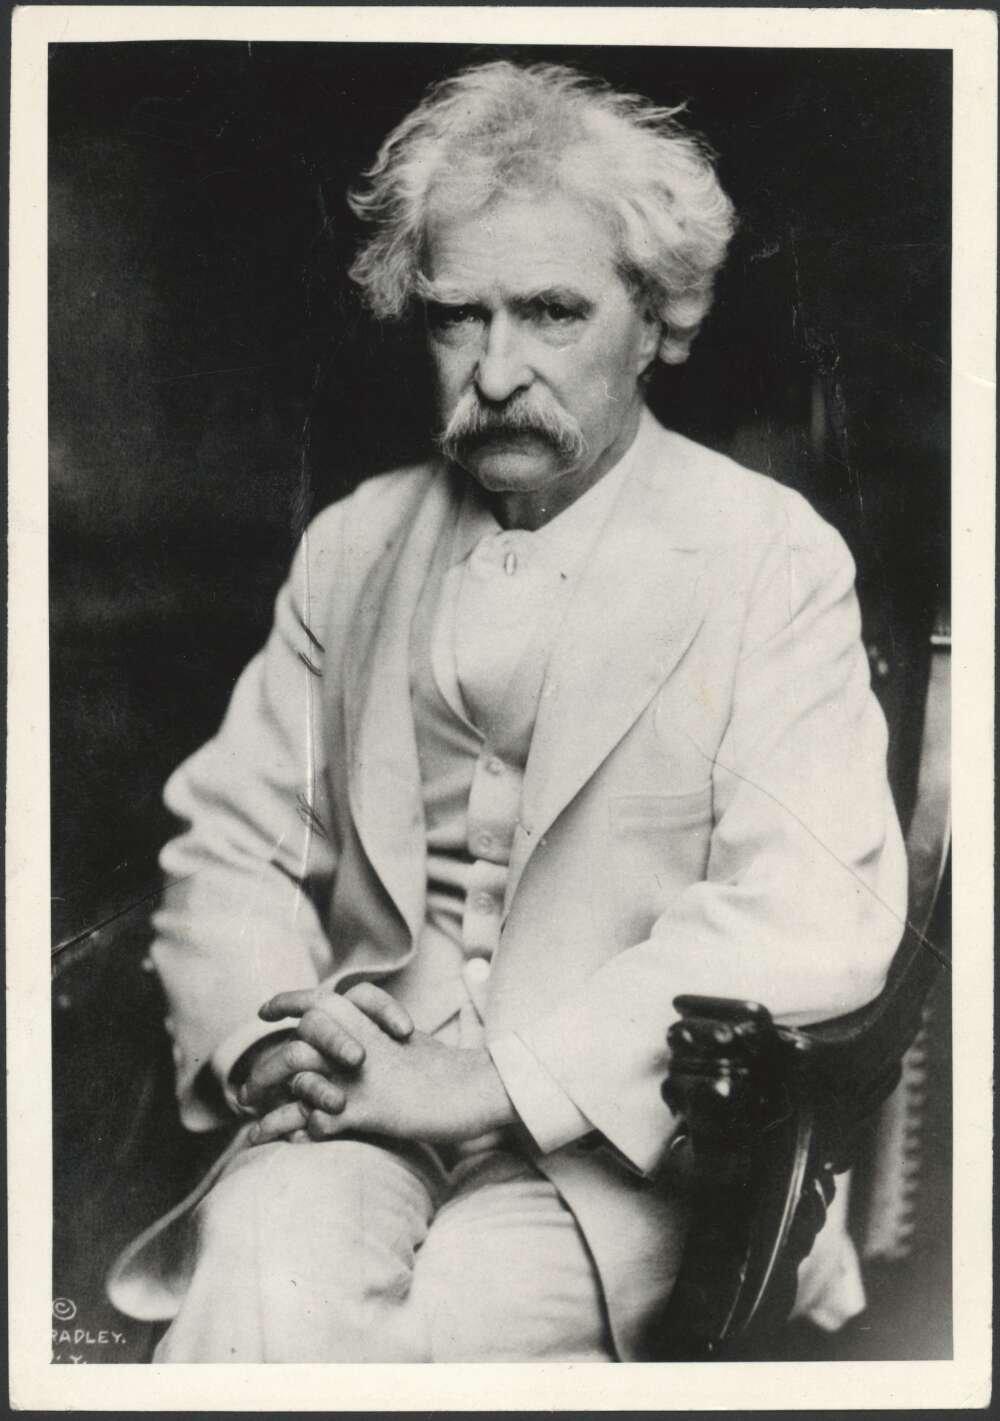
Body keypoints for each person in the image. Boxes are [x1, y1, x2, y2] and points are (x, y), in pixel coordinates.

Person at [107, 60, 907, 1362]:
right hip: (356, 1100)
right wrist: (266, 1046)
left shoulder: (769, 555)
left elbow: (815, 912)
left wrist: (485, 1081)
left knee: (472, 1327)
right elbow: (228, 845)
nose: (493, 370)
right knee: (262, 1269)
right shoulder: (355, 544)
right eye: (453, 317)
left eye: (549, 313)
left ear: (660, 321)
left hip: (617, 1145)